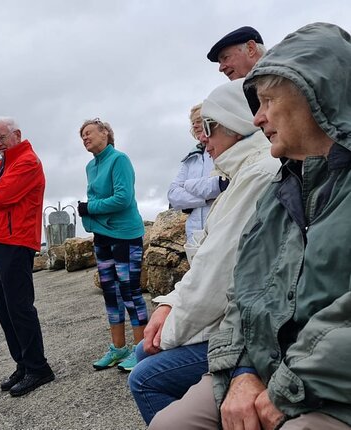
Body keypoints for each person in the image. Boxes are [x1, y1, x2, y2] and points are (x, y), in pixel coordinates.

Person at [150, 22, 351, 430]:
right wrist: (241, 369)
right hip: (266, 365)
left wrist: (287, 383)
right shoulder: (281, 190)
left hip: (330, 382)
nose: (257, 119)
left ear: (318, 96)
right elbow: (242, 290)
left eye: (269, 101)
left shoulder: (264, 177)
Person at [128, 79, 280, 424]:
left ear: (236, 124)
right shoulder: (243, 172)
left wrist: (168, 334)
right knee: (143, 353)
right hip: (232, 319)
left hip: (244, 329)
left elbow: (217, 277)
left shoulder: (257, 175)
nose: (202, 139)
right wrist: (168, 304)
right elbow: (208, 263)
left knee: (144, 375)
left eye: (209, 128)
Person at [0, 116, 54, 397]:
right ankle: (23, 363)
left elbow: (1, 196)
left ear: (16, 134)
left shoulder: (27, 161)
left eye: (2, 138)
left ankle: (38, 367)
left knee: (19, 307)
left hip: (16, 242)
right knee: (4, 309)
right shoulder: (0, 164)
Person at [77, 118, 147, 373]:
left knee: (129, 291)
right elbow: (96, 198)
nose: (84, 138)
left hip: (125, 235)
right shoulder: (90, 167)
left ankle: (142, 350)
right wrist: (91, 214)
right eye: (81, 136)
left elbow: (122, 198)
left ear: (105, 133)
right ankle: (119, 348)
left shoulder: (119, 160)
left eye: (88, 133)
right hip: (102, 236)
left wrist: (88, 209)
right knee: (110, 293)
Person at [167, 103, 222, 244]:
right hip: (194, 235)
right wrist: (206, 199)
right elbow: (173, 195)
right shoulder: (192, 158)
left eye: (199, 121)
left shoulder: (223, 151)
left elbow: (224, 183)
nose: (195, 126)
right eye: (193, 123)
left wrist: (188, 186)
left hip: (219, 230)